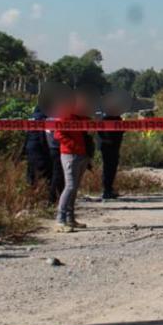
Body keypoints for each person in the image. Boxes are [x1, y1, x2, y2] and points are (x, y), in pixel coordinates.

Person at [53, 95, 93, 232]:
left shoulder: (79, 116)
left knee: (74, 187)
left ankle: (70, 218)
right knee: (70, 186)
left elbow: (89, 124)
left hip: (81, 155)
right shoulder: (64, 116)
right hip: (70, 155)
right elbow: (58, 135)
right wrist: (73, 146)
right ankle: (60, 220)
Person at [24, 106, 55, 204]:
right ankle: (44, 197)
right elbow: (44, 135)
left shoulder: (31, 117)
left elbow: (27, 134)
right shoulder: (43, 118)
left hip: (30, 148)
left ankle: (31, 196)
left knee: (31, 173)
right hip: (39, 149)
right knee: (45, 173)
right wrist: (48, 150)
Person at [97, 113, 124, 200]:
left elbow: (121, 131)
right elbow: (99, 130)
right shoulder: (105, 118)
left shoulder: (118, 118)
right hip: (107, 147)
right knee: (108, 168)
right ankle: (106, 190)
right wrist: (106, 140)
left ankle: (110, 189)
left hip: (115, 147)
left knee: (113, 168)